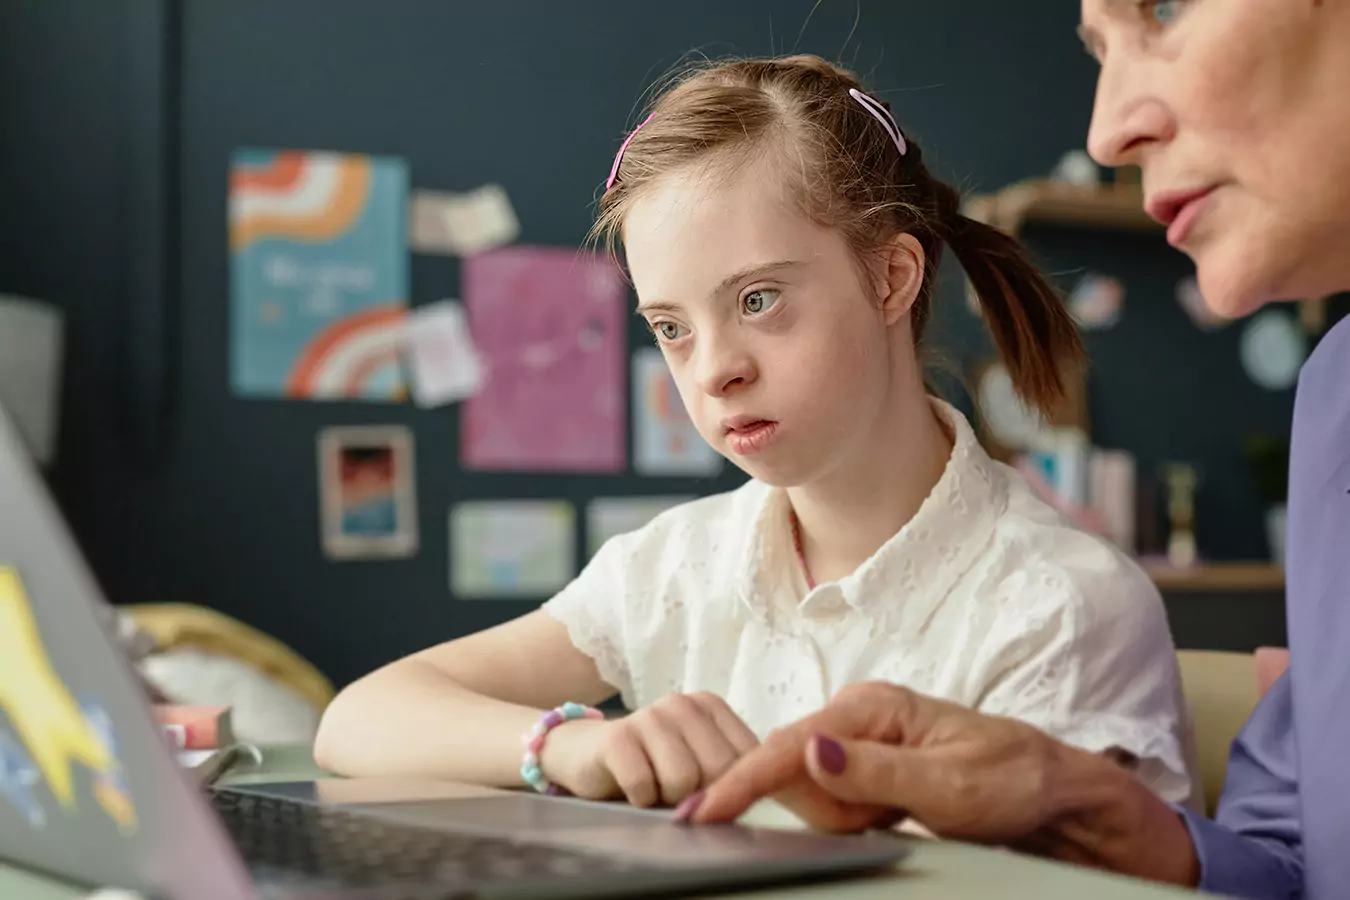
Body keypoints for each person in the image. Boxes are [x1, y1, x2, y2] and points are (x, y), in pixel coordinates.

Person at [315, 54, 1199, 813]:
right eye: (671, 327)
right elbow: (360, 718)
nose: (713, 369)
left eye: (757, 300)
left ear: (891, 278)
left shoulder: (1062, 608)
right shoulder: (671, 568)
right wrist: (569, 746)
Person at [686, 2, 1350, 897]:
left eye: (1162, 8)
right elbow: (1292, 869)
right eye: (1100, 49)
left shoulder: (1067, 593)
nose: (1110, 130)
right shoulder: (1334, 395)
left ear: (894, 280)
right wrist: (1086, 808)